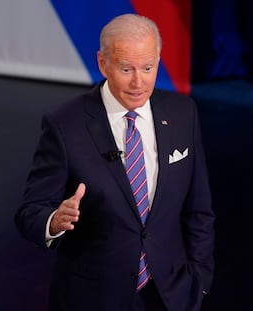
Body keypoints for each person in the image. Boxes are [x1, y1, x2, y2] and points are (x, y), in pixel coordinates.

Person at [14, 13, 215, 311]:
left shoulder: (183, 113)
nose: (138, 82)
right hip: (92, 298)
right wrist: (54, 220)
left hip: (171, 295)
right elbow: (29, 213)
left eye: (148, 68)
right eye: (126, 69)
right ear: (102, 63)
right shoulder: (64, 125)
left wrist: (199, 283)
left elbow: (199, 211)